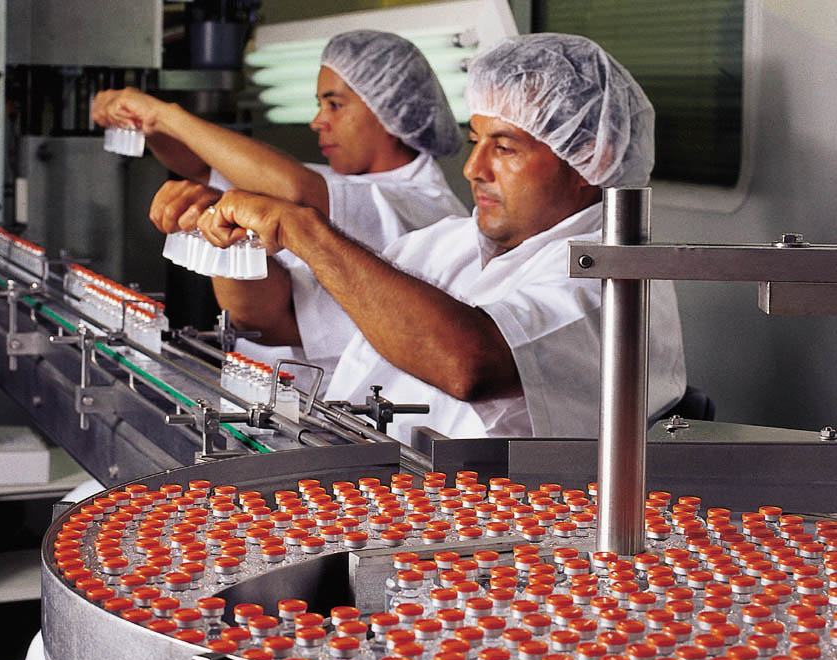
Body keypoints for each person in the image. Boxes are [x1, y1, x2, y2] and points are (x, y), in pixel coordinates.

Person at [153, 33, 686, 444]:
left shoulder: (616, 278)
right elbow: (274, 321)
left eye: (505, 146)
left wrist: (302, 227)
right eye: (476, 141)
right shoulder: (444, 245)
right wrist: (230, 239)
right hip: (380, 499)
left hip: (501, 549)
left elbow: (469, 365)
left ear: (590, 156)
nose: (474, 168)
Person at [92, 31, 468, 381]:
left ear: (390, 109)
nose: (317, 121)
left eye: (334, 104)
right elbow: (198, 163)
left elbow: (296, 194)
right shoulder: (346, 183)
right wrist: (140, 121)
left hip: (332, 418)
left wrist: (165, 115)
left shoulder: (422, 207)